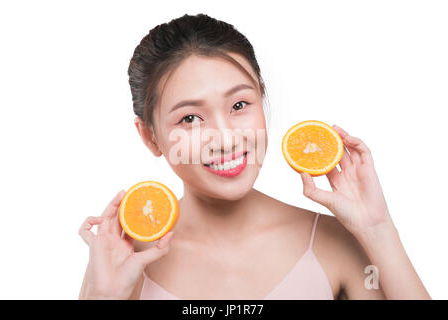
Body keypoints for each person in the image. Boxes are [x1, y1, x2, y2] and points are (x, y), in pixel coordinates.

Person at [78, 13, 430, 300]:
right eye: (190, 118)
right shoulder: (124, 263)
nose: (227, 138)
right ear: (149, 135)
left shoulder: (332, 242)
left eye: (240, 105)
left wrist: (378, 230)